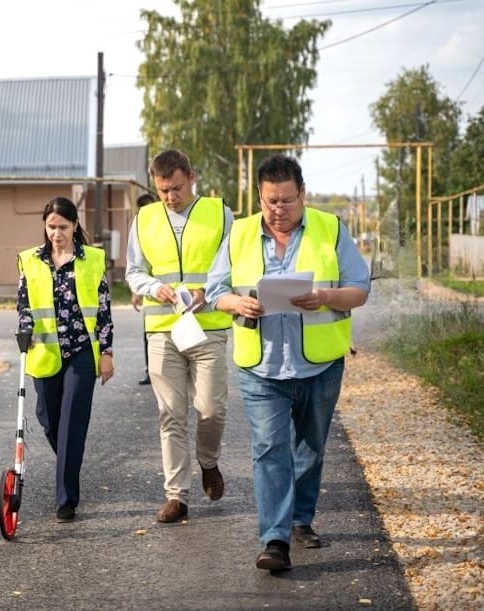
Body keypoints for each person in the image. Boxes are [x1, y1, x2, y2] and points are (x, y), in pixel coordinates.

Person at [205, 154, 370, 571]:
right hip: (260, 366)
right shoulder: (239, 233)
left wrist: (326, 297)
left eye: (287, 201)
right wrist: (235, 302)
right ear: (259, 197)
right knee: (269, 447)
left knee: (310, 449)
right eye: (270, 202)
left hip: (319, 364)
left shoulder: (330, 229)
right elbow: (214, 291)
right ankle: (275, 539)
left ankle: (301, 520)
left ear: (303, 194)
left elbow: (359, 288)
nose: (278, 210)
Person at [125, 149, 233, 524]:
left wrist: (212, 292)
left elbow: (232, 265)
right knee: (170, 413)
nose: (169, 197)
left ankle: (209, 462)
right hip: (162, 329)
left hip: (209, 326)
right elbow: (134, 271)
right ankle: (177, 496)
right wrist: (154, 288)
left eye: (175, 188)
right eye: (162, 190)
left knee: (211, 409)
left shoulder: (220, 214)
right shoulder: (143, 219)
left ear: (192, 177)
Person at [16, 196, 114, 523]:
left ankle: (66, 499)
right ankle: (68, 463)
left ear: (74, 225)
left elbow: (103, 310)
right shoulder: (30, 260)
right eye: (51, 227)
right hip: (44, 352)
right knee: (47, 417)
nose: (56, 233)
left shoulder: (93, 260)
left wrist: (107, 352)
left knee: (72, 422)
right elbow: (24, 305)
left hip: (81, 352)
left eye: (63, 227)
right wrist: (25, 329)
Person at [131, 192, 157, 386]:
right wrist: (136, 292)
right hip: (154, 298)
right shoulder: (140, 226)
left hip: (181, 296)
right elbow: (139, 265)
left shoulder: (161, 226)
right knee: (149, 336)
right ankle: (151, 371)